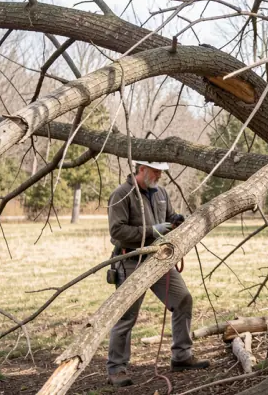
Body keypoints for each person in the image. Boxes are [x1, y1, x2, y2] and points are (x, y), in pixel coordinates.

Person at [106, 160, 209, 388]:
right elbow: (117, 231)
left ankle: (181, 356)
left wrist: (175, 221)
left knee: (183, 300)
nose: (160, 175)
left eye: (161, 171)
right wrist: (152, 231)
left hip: (159, 260)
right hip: (131, 260)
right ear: (141, 169)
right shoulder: (121, 194)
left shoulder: (161, 192)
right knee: (126, 316)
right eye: (156, 171)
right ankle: (116, 368)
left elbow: (169, 217)